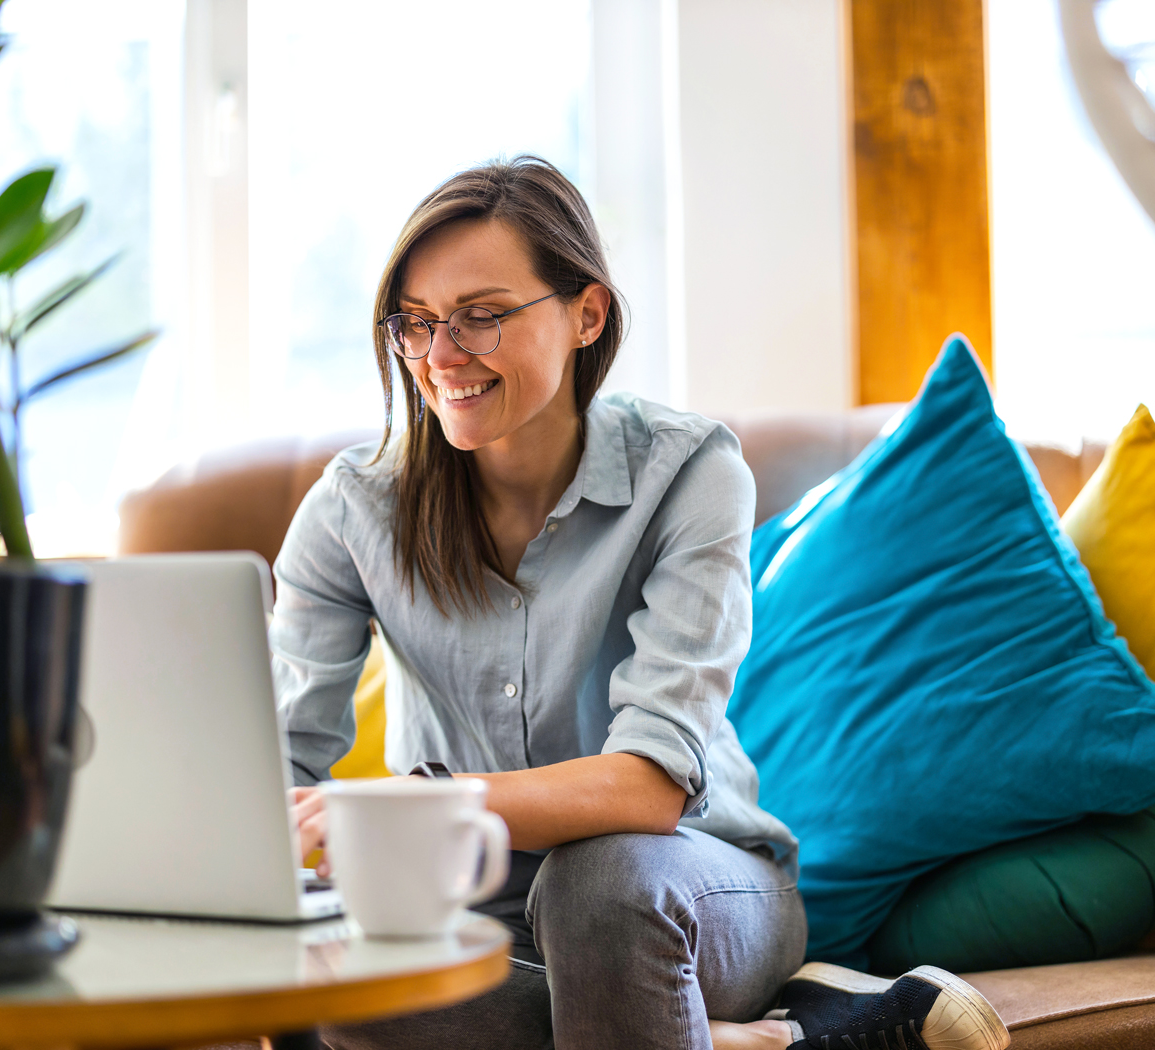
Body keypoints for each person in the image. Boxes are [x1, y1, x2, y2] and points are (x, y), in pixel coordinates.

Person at [272, 156, 1007, 1050]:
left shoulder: (691, 473)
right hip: (464, 906)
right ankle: (764, 1036)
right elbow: (279, 762)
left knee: (598, 883)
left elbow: (650, 785)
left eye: (481, 317)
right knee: (328, 981)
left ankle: (690, 1010)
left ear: (588, 313)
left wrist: (431, 805)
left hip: (691, 884)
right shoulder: (354, 509)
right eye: (416, 324)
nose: (441, 357)